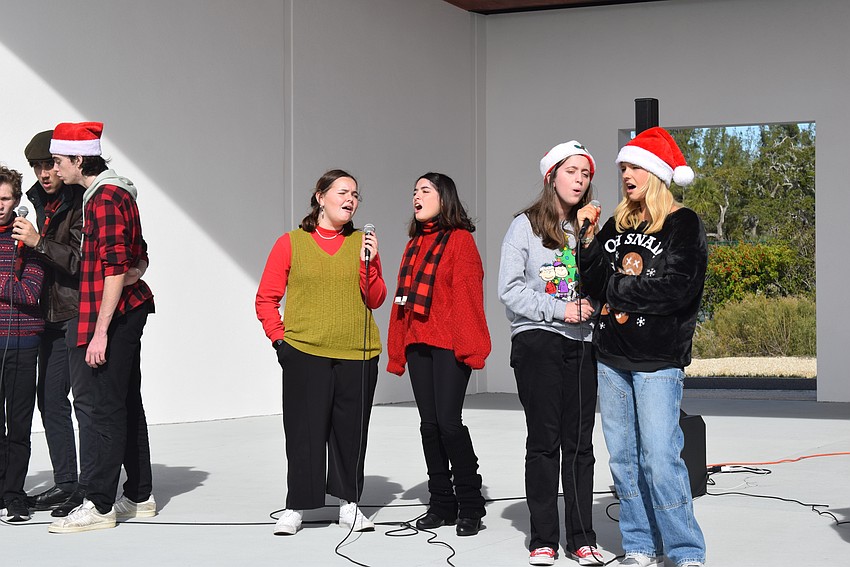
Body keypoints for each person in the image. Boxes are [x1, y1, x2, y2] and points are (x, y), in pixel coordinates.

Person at [577, 127, 707, 567]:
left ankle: (686, 551)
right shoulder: (617, 223)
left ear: (655, 172)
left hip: (657, 360)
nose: (626, 175)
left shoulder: (682, 223)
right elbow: (591, 281)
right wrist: (588, 240)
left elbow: (678, 289)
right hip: (612, 358)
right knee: (623, 460)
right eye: (623, 168)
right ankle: (639, 545)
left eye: (634, 167)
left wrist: (615, 289)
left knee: (660, 458)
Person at [255, 169, 386, 536]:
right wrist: (280, 341)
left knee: (351, 434)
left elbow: (376, 298)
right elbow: (266, 298)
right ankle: (297, 506)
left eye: (355, 195)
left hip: (358, 354)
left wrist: (370, 263)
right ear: (320, 197)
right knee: (304, 433)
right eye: (343, 192)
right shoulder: (291, 243)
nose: (351, 200)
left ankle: (349, 505)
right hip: (304, 352)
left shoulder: (362, 244)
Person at [46, 122, 156, 533]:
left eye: (58, 161)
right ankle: (139, 496)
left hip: (111, 317)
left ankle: (99, 504)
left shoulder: (106, 198)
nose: (54, 169)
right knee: (123, 403)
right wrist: (135, 271)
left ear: (79, 159)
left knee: (99, 408)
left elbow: (114, 267)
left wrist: (100, 331)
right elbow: (137, 255)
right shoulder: (113, 192)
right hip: (124, 310)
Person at [498, 141, 603, 566]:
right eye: (571, 171)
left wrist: (593, 248)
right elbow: (509, 290)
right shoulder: (524, 226)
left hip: (582, 344)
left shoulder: (589, 229)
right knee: (544, 442)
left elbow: (600, 284)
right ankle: (543, 538)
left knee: (580, 445)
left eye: (585, 174)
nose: (579, 180)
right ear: (551, 176)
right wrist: (561, 310)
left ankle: (581, 538)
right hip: (538, 341)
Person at [387, 172, 490, 537]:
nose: (416, 196)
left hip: (449, 343)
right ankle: (442, 503)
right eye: (414, 190)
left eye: (425, 190)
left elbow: (468, 297)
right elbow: (401, 302)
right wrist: (397, 349)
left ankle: (471, 504)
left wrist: (472, 348)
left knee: (448, 423)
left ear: (444, 199)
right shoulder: (414, 244)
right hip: (418, 342)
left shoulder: (460, 240)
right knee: (429, 425)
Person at [14, 131, 88, 516]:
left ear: (63, 164)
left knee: (83, 402)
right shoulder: (36, 201)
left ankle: (86, 487)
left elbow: (79, 260)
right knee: (49, 399)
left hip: (74, 311)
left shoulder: (81, 200)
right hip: (46, 314)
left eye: (49, 165)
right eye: (37, 166)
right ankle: (67, 483)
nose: (43, 174)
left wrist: (37, 242)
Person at [0, 165, 45, 523]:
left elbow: (30, 293)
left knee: (19, 425)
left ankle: (14, 494)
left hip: (22, 342)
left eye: (5, 198)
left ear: (16, 200)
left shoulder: (28, 239)